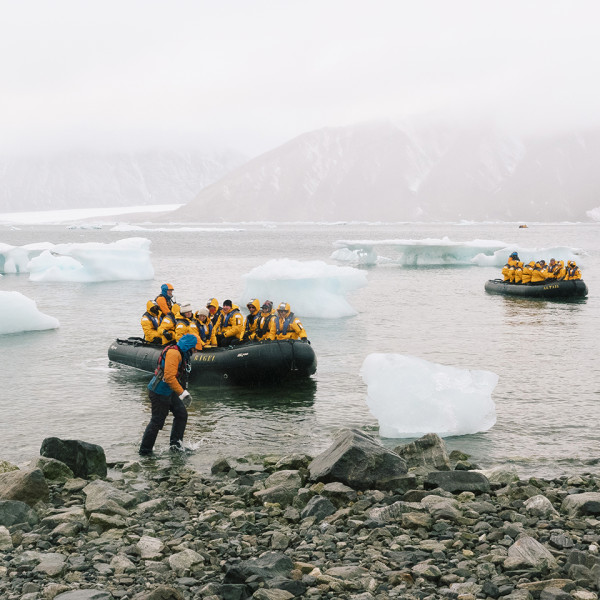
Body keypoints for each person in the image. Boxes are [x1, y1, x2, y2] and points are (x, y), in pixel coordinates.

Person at [139, 333, 197, 455]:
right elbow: (169, 377)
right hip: (159, 392)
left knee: (181, 414)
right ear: (188, 347)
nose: (195, 350)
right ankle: (145, 452)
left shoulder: (181, 353)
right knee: (157, 422)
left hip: (169, 391)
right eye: (194, 348)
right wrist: (183, 394)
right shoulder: (174, 354)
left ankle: (176, 446)